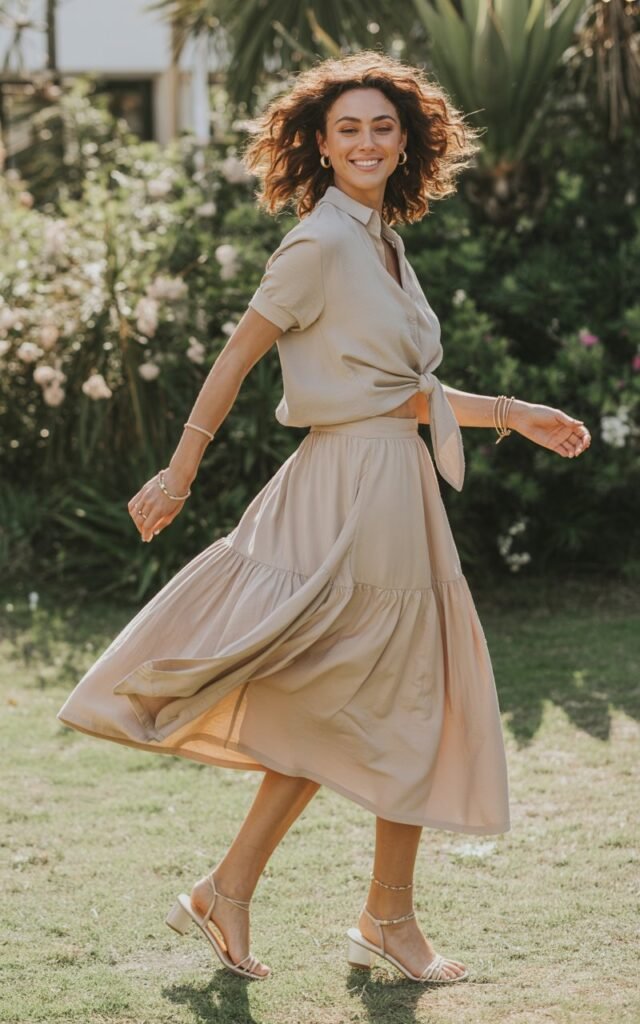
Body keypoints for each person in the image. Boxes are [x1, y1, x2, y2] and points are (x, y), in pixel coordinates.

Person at [57, 50, 591, 986]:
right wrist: (178, 473)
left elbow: (404, 392)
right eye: (348, 127)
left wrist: (516, 414)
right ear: (319, 142)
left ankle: (288, 901)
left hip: (394, 485)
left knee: (380, 696)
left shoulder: (383, 242)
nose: (368, 140)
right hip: (345, 491)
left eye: (383, 126)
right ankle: (347, 912)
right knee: (376, 695)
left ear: (406, 139)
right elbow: (236, 362)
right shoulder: (320, 243)